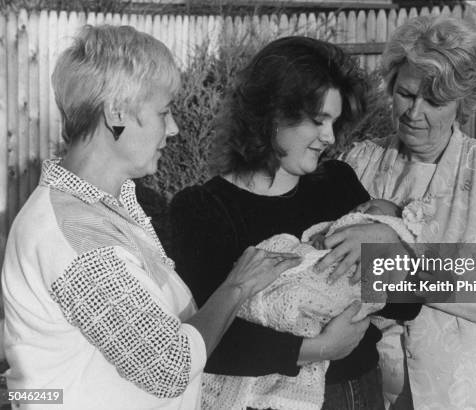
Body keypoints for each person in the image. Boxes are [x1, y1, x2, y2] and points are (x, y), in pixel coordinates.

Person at [1, 25, 300, 410]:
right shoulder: (73, 234)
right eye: (163, 112)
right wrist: (238, 287)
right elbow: (168, 367)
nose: (174, 128)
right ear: (117, 114)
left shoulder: (109, 204)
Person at [171, 36, 420, 410]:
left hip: (361, 390)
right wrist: (317, 349)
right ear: (272, 115)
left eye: (334, 122)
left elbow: (409, 303)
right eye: (318, 121)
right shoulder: (203, 209)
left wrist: (387, 242)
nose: (330, 137)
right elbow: (208, 341)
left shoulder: (337, 182)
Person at [316, 15, 476, 410]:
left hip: (466, 393)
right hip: (370, 389)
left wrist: (406, 262)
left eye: (434, 101)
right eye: (406, 94)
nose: (414, 112)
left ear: (461, 104)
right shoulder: (360, 163)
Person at [200, 197, 417, 409]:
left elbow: (411, 305)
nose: (359, 209)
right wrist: (319, 348)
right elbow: (202, 336)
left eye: (370, 210)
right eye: (361, 208)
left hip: (360, 384)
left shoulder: (337, 176)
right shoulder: (207, 203)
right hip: (266, 383)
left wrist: (393, 244)